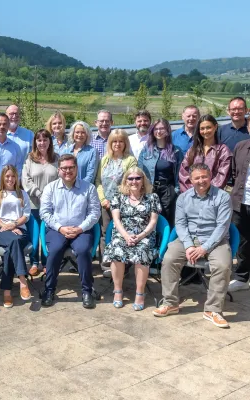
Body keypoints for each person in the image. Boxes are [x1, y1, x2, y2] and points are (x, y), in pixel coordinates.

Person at [153, 163, 233, 329]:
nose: (201, 180)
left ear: (210, 177)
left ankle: (213, 310)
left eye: (204, 176)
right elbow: (181, 224)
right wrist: (189, 246)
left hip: (215, 240)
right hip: (189, 239)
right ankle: (170, 303)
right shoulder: (183, 198)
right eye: (197, 178)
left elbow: (222, 227)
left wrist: (204, 248)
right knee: (169, 259)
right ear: (190, 180)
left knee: (222, 265)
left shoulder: (223, 197)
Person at [39, 154, 101, 309]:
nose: (68, 171)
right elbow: (44, 213)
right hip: (57, 229)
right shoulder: (50, 188)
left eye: (71, 167)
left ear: (76, 168)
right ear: (59, 170)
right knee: (54, 249)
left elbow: (95, 213)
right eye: (64, 168)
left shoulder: (89, 188)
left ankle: (87, 291)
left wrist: (80, 228)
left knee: (83, 250)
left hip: (81, 230)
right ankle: (49, 289)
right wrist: (60, 228)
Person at [103, 167, 160, 311]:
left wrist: (140, 236)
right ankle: (118, 291)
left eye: (137, 178)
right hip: (123, 234)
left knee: (142, 251)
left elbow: (153, 221)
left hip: (144, 235)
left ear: (143, 180)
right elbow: (116, 220)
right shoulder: (118, 197)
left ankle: (140, 293)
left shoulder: (152, 197)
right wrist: (126, 236)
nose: (134, 181)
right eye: (131, 178)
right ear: (126, 181)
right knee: (116, 249)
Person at [0, 165, 32, 308]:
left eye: (13, 176)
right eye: (7, 176)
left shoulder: (22, 194)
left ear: (16, 178)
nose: (10, 179)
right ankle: (22, 281)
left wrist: (14, 224)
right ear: (2, 177)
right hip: (1, 230)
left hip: (20, 230)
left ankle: (7, 291)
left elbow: (26, 215)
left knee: (11, 248)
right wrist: (5, 226)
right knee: (14, 241)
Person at [96, 129, 137, 270]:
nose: (117, 144)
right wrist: (103, 199)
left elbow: (131, 183)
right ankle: (106, 264)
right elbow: (98, 181)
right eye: (114, 141)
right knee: (105, 233)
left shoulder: (130, 160)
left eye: (121, 141)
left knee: (123, 233)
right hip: (105, 204)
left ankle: (123, 265)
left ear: (125, 143)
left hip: (123, 204)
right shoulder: (104, 160)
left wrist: (117, 201)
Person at [21, 129, 58, 276]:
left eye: (45, 140)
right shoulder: (29, 158)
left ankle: (47, 262)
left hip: (52, 204)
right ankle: (34, 262)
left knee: (48, 233)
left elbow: (60, 180)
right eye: (39, 140)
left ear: (50, 141)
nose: (42, 143)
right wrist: (38, 193)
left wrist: (48, 197)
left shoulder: (57, 158)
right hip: (33, 203)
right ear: (35, 142)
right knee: (35, 234)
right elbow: (26, 180)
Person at [138, 119, 183, 225]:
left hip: (168, 192)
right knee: (149, 220)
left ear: (167, 130)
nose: (158, 131)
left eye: (162, 128)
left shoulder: (176, 151)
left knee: (167, 221)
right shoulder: (146, 150)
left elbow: (180, 174)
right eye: (156, 129)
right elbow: (139, 171)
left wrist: (176, 191)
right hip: (150, 191)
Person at [179, 115, 232, 192]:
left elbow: (222, 177)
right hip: (193, 194)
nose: (205, 131)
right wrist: (193, 192)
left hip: (214, 195)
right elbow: (184, 173)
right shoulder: (193, 150)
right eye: (202, 128)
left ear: (215, 127)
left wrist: (206, 192)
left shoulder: (223, 151)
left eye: (208, 127)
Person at [228, 138, 250, 292]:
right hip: (240, 202)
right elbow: (234, 172)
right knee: (243, 242)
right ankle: (242, 278)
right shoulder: (240, 146)